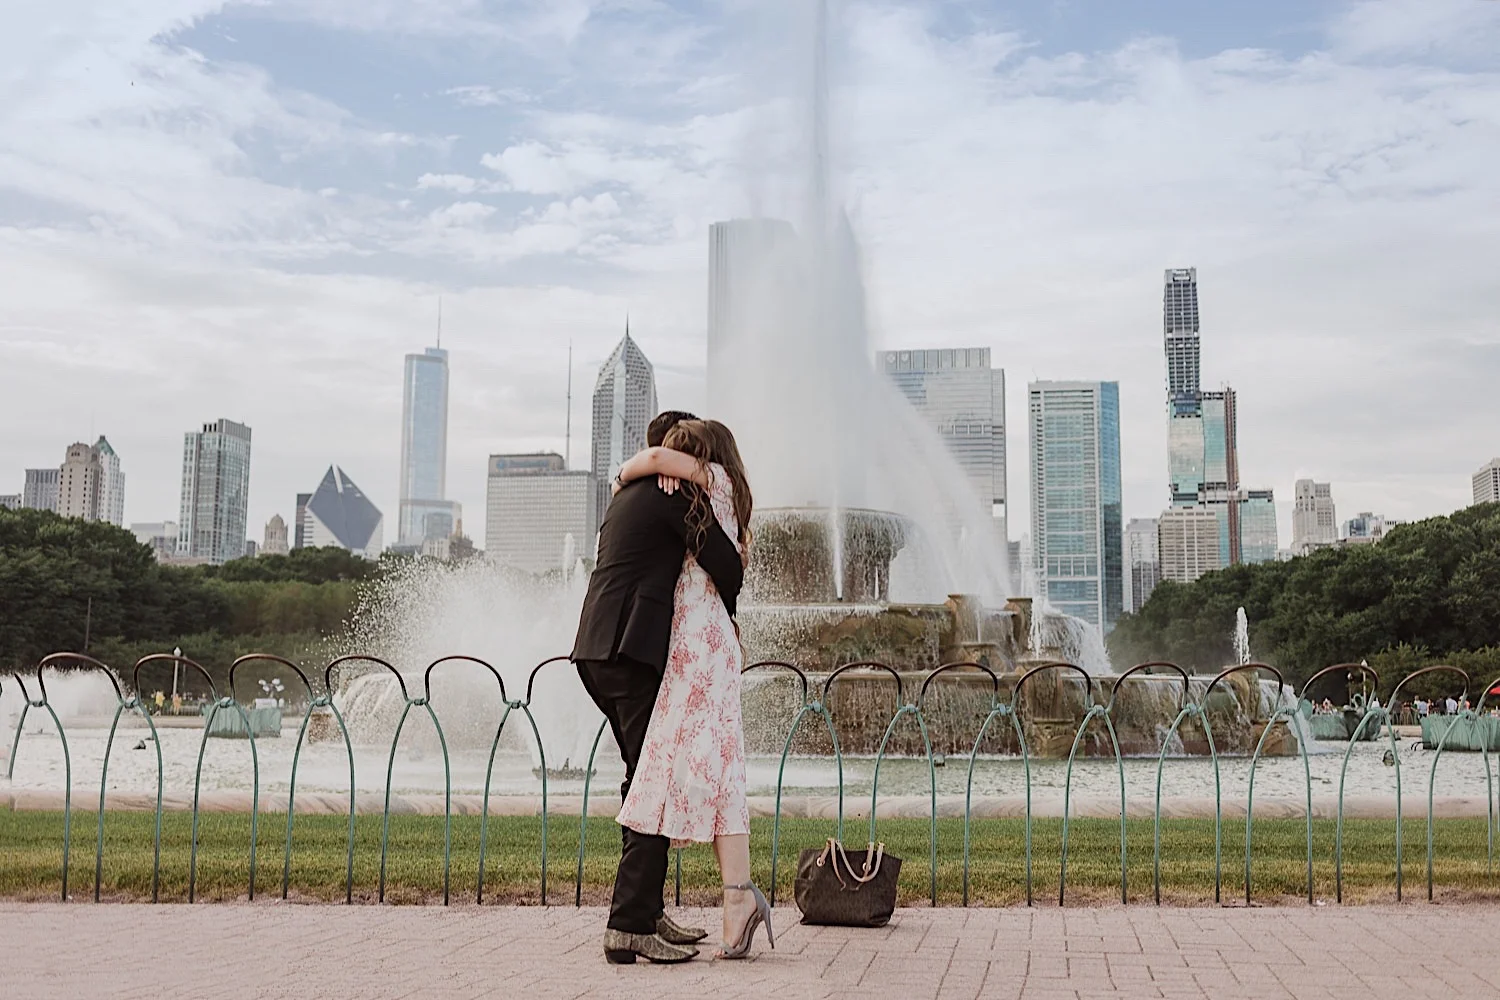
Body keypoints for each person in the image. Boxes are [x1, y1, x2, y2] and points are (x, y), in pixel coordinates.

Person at [571, 411, 745, 966]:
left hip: (598, 646)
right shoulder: (674, 494)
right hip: (630, 649)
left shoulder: (630, 495)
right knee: (657, 778)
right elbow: (725, 566)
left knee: (642, 775)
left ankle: (643, 912)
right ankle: (628, 925)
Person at [612, 418, 771, 961]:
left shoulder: (716, 478)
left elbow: (656, 463)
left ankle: (637, 914)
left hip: (698, 645)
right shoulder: (708, 502)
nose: (672, 467)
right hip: (702, 641)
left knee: (664, 763)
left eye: (685, 457)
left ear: (704, 457)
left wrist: (626, 473)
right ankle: (736, 901)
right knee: (719, 766)